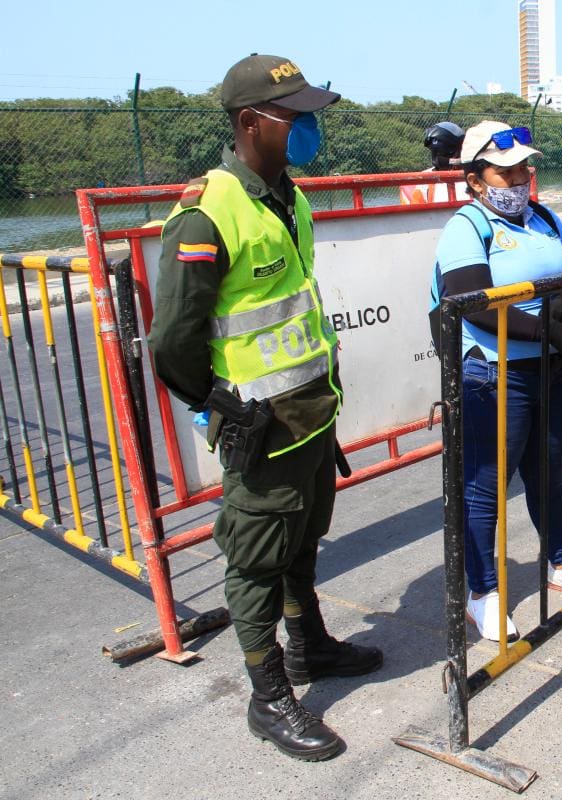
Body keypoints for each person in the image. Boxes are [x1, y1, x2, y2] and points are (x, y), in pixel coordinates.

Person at [147, 54, 382, 762]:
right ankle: (269, 695)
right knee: (255, 561)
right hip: (261, 426)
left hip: (310, 415)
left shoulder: (289, 198)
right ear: (252, 122)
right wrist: (219, 404)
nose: (310, 128)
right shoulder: (206, 214)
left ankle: (310, 645)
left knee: (301, 540)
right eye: (295, 116)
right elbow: (172, 342)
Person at [430, 121, 562, 642]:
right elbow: (475, 305)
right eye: (505, 172)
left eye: (524, 168)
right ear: (476, 180)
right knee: (486, 488)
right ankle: (482, 593)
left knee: (548, 471)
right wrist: (552, 329)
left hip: (547, 369)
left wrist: (558, 319)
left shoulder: (545, 217)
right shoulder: (467, 226)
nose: (520, 178)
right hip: (493, 374)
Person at [401, 121, 468, 205]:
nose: (437, 157)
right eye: (434, 152)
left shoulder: (470, 176)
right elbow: (416, 208)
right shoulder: (424, 180)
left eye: (441, 152)